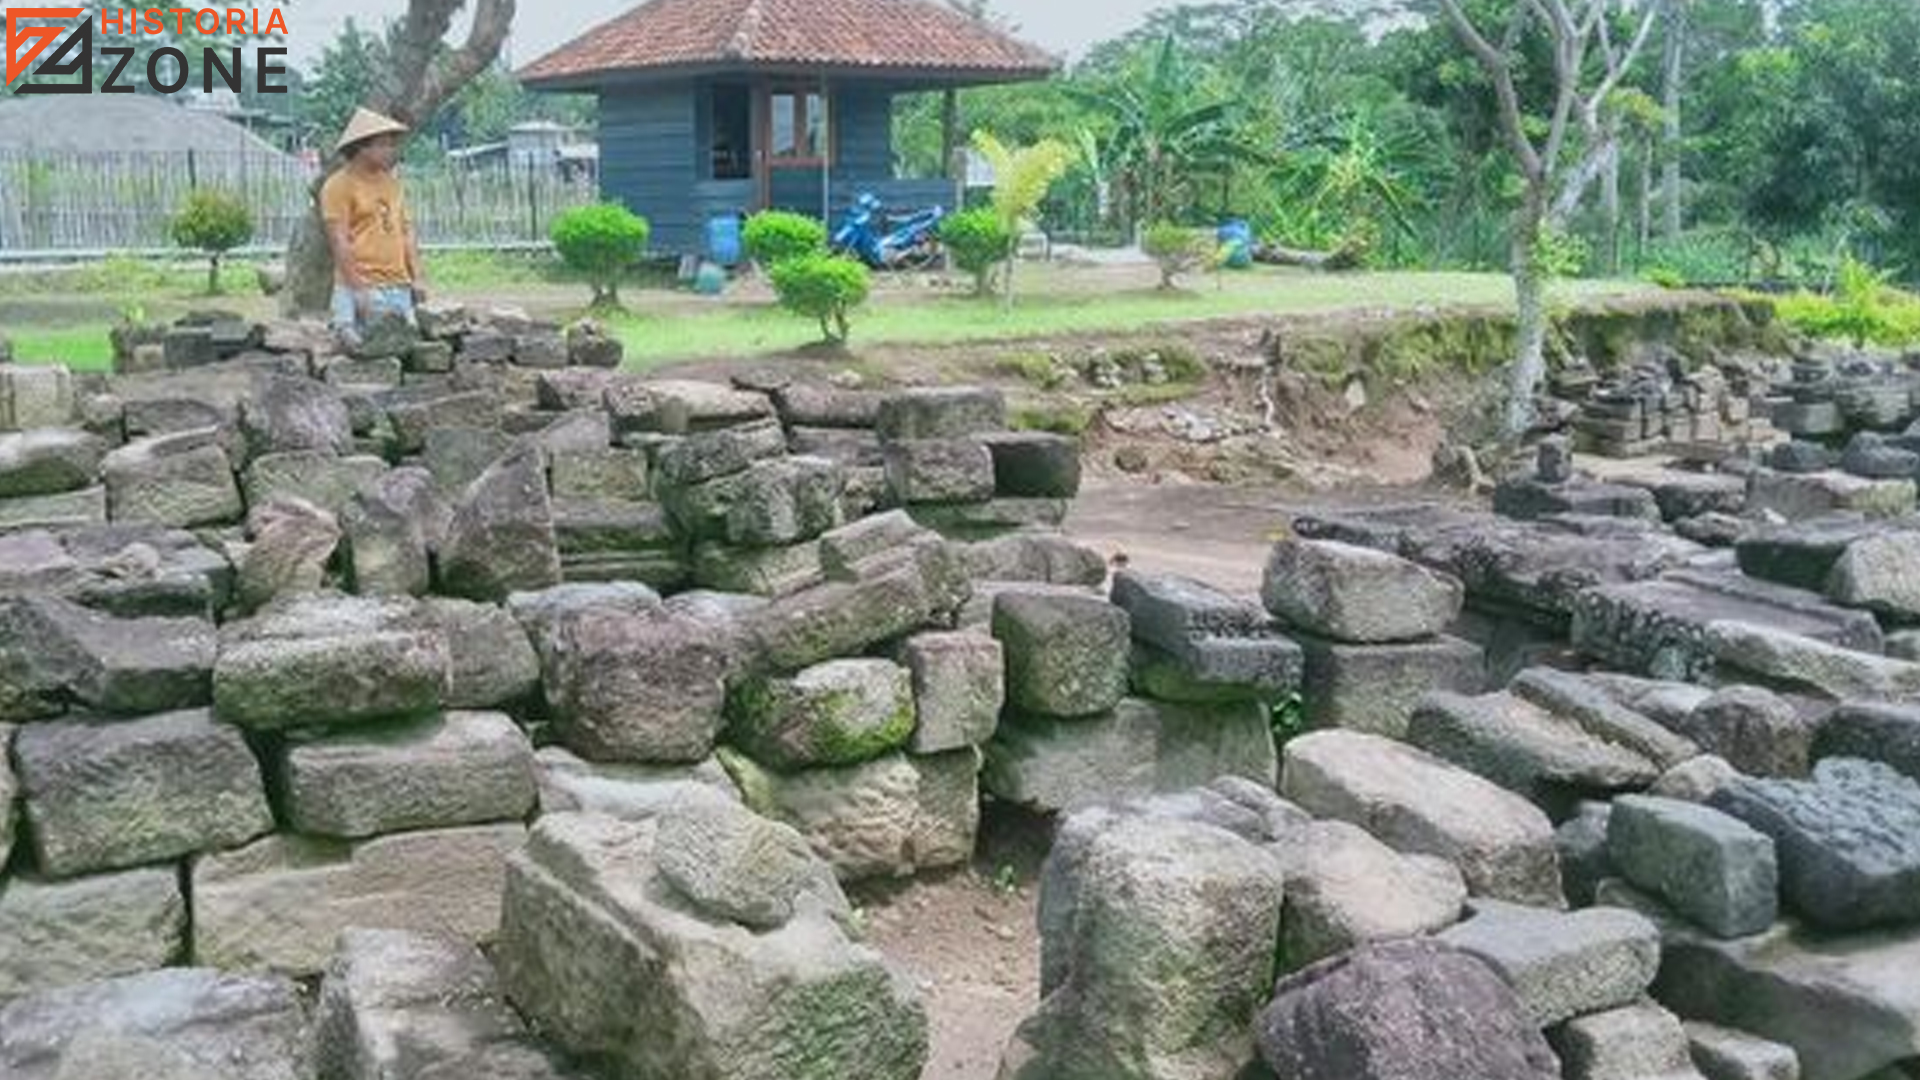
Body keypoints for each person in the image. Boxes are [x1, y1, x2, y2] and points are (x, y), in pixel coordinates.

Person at [321, 107, 428, 345]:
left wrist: (418, 276)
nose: (392, 151)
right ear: (362, 148)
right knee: (360, 351)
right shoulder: (338, 186)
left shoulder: (393, 184)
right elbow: (339, 240)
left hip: (398, 284)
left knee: (408, 351)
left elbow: (406, 232)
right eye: (385, 145)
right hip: (360, 285)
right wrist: (358, 288)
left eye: (392, 144)